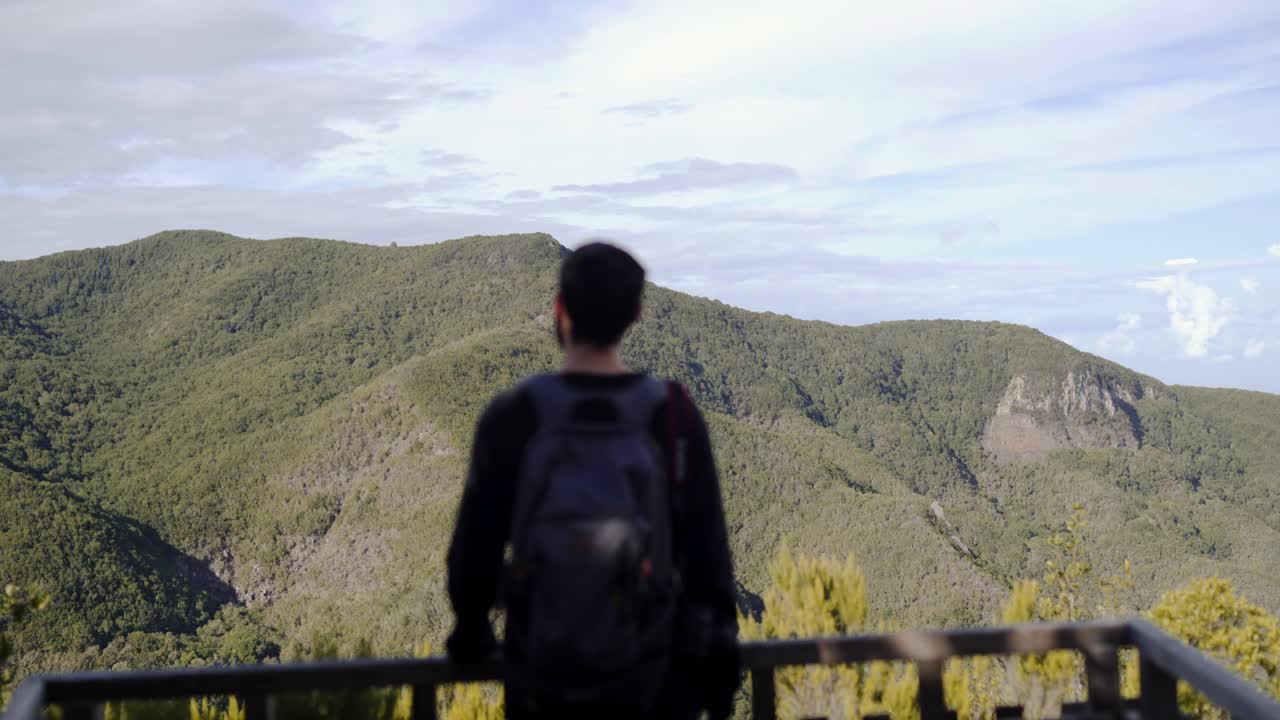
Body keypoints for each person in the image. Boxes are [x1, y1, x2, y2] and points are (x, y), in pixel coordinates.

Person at [445, 242, 741, 720]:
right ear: (635, 315)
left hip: (541, 683)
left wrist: (472, 630)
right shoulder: (673, 416)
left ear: (559, 309)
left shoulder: (514, 415)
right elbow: (709, 560)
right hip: (654, 686)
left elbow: (472, 554)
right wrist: (716, 664)